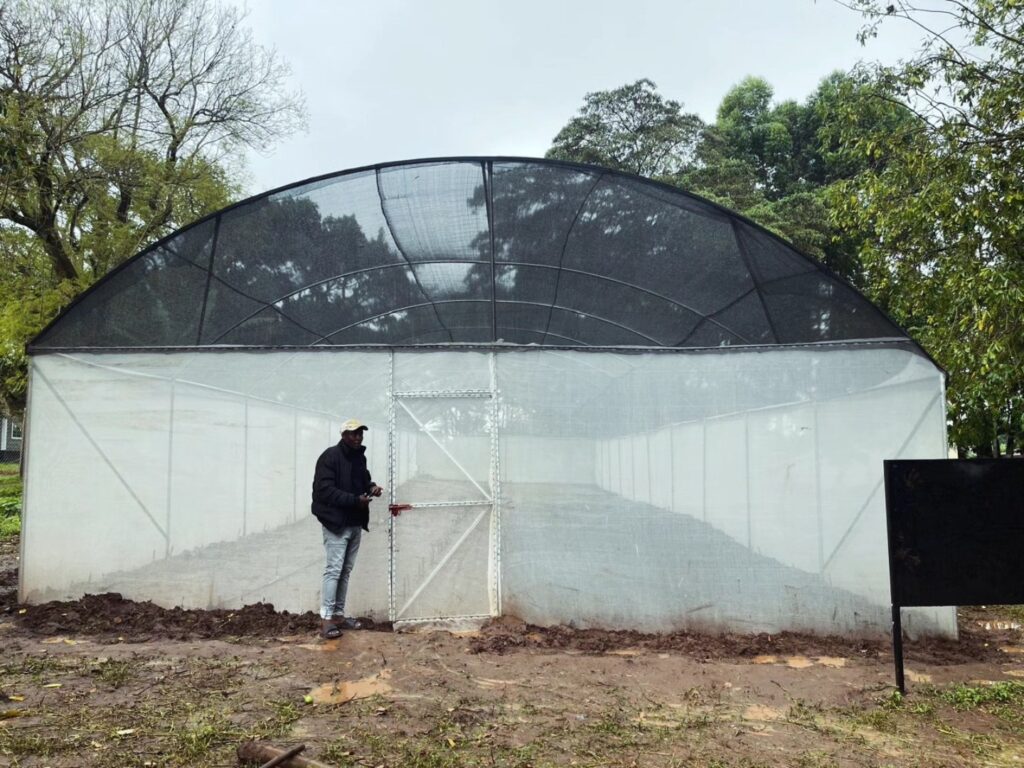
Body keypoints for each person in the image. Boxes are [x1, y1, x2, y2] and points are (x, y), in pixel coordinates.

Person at [311, 418, 384, 639]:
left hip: (354, 523)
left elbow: (364, 480)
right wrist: (354, 500)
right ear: (343, 435)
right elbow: (324, 490)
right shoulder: (330, 456)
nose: (358, 437)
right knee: (334, 570)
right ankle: (326, 620)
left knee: (345, 571)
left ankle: (338, 616)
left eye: (360, 433)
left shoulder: (359, 458)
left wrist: (371, 487)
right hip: (336, 523)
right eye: (353, 433)